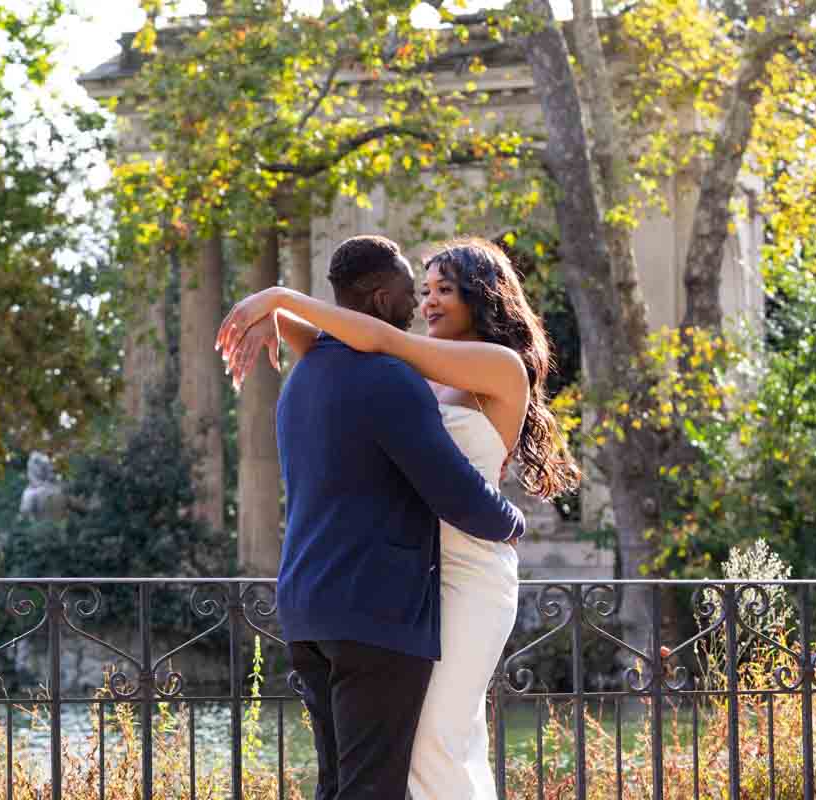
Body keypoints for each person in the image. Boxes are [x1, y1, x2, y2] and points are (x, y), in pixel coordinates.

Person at [217, 236, 580, 800]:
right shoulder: (410, 371)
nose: (428, 302)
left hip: (469, 573)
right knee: (414, 747)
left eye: (444, 291)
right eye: (424, 290)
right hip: (414, 576)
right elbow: (339, 347)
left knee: (436, 739)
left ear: (481, 299)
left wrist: (282, 299)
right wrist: (282, 322)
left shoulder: (497, 366)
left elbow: (378, 338)